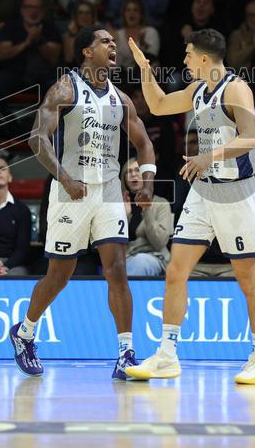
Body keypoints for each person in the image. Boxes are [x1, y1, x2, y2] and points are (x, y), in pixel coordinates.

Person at [124, 29, 255, 385]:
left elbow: (251, 137)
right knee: (176, 269)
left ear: (205, 58)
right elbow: (158, 105)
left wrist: (209, 156)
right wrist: (145, 71)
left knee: (247, 277)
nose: (185, 61)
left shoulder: (236, 88)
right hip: (204, 191)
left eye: (189, 55)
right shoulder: (197, 90)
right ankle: (167, 355)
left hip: (235, 193)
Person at [10, 28, 157, 379]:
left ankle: (126, 354)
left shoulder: (121, 98)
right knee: (59, 276)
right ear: (86, 52)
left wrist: (148, 181)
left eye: (113, 43)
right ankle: (25, 332)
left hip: (107, 190)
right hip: (69, 190)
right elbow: (36, 138)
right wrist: (64, 178)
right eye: (105, 41)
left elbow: (145, 143)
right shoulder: (66, 88)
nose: (113, 46)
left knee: (117, 269)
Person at [122, 158, 173, 276]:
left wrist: (147, 209)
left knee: (139, 262)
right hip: (126, 258)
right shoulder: (121, 204)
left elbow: (159, 243)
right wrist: (126, 216)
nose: (133, 174)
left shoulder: (161, 204)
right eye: (128, 172)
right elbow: (113, 246)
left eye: (137, 170)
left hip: (154, 257)